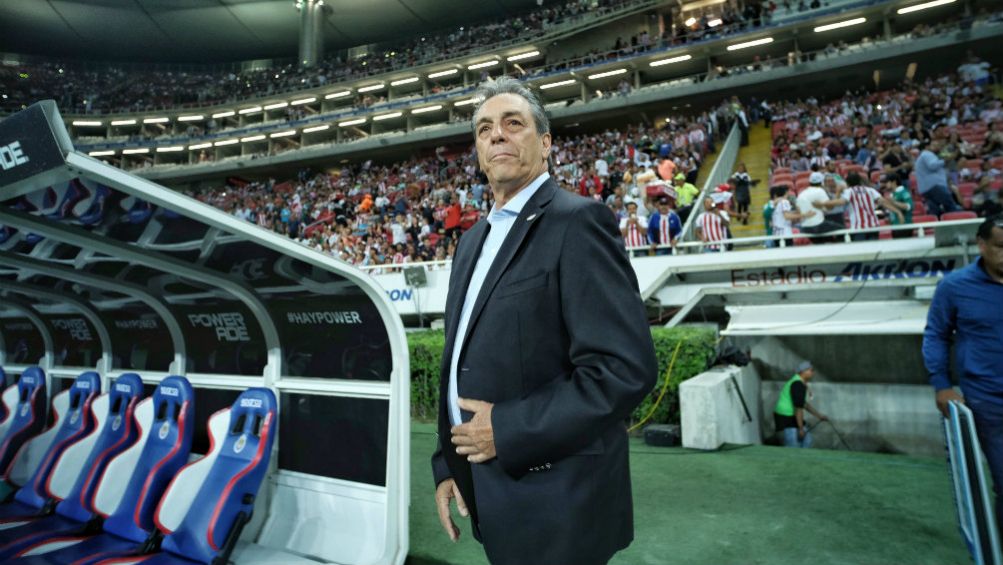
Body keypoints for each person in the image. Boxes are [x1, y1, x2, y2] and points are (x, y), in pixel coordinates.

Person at [431, 76, 657, 565]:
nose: (497, 135)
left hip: (559, 502)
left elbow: (623, 370)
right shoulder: (470, 243)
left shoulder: (578, 222)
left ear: (546, 143)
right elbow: (461, 362)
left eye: (514, 123)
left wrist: (508, 430)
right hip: (492, 491)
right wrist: (445, 465)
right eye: (485, 128)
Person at [923, 214, 1003, 537]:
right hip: (988, 402)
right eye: (1000, 247)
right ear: (981, 245)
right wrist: (941, 384)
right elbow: (936, 335)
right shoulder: (955, 287)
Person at [774, 361, 829, 448]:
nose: (813, 373)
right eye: (811, 370)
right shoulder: (797, 384)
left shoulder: (798, 382)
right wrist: (800, 429)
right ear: (803, 371)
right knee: (793, 449)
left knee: (808, 441)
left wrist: (819, 416)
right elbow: (799, 408)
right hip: (787, 421)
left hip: (790, 419)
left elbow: (803, 404)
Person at [915, 138, 960, 217]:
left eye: (938, 145)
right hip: (935, 186)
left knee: (934, 212)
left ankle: (936, 228)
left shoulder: (923, 156)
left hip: (927, 189)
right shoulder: (927, 154)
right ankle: (957, 226)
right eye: (934, 145)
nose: (937, 147)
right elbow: (933, 165)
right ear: (927, 147)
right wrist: (946, 160)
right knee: (951, 207)